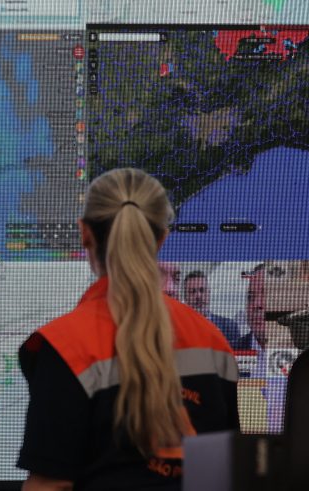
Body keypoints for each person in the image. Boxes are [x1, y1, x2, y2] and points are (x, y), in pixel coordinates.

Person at [17, 168, 239, 490]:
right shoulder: (213, 342)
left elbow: (49, 485)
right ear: (161, 238)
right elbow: (223, 475)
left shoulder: (67, 346)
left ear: (85, 234)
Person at [183, 270, 241, 346]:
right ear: (185, 297)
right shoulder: (179, 327)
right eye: (192, 291)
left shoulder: (229, 327)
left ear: (209, 293)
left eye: (202, 290)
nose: (198, 296)